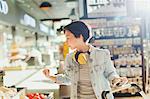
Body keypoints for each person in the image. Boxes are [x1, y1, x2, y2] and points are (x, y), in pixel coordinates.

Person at [43, 21, 128, 99]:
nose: (66, 42)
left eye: (68, 38)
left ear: (80, 36)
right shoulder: (69, 58)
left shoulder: (102, 54)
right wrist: (50, 77)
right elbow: (68, 79)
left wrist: (117, 80)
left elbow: (111, 74)